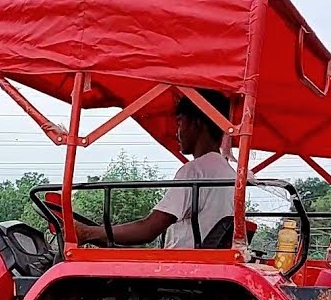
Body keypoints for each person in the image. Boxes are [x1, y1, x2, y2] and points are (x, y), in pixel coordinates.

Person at [74, 89, 237, 248]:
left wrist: (87, 232)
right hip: (205, 265)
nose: (176, 133)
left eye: (180, 122)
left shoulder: (195, 171)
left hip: (182, 268)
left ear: (197, 123)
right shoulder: (231, 175)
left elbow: (149, 229)